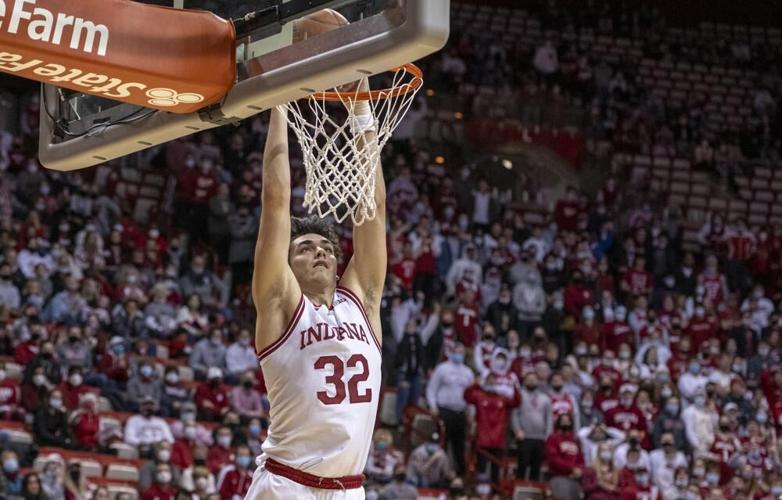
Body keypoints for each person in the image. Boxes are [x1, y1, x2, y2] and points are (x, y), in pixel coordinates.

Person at [244, 91, 388, 499]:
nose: (319, 251)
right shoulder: (280, 302)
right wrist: (278, 103)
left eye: (324, 247)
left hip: (350, 489)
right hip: (287, 484)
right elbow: (275, 202)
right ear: (286, 265)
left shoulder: (363, 301)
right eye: (304, 247)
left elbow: (373, 205)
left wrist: (361, 108)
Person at [426, 342, 475, 475]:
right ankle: (440, 473)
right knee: (443, 443)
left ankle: (459, 476)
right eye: (456, 351)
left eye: (461, 352)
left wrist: (471, 413)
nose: (458, 354)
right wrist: (433, 406)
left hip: (460, 412)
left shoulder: (468, 372)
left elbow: (471, 396)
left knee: (459, 446)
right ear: (451, 352)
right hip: (444, 411)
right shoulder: (442, 368)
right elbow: (432, 389)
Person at [512, 372, 552, 481]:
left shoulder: (545, 398)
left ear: (538, 381)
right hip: (524, 436)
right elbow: (514, 415)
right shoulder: (519, 396)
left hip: (540, 437)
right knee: (523, 464)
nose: (531, 381)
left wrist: (548, 435)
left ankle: (533, 492)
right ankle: (519, 486)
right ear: (524, 381)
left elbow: (549, 418)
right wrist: (517, 430)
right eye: (529, 379)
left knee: (536, 466)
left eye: (534, 379)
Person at [545, 413, 584, 500]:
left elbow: (581, 459)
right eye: (563, 420)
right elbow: (553, 459)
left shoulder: (575, 440)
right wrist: (571, 469)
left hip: (575, 478)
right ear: (558, 423)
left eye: (568, 421)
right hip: (558, 477)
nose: (565, 423)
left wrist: (579, 470)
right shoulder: (553, 438)